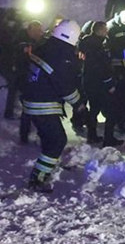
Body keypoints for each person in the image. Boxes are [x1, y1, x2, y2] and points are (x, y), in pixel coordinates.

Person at [20, 20, 87, 192]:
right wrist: (79, 104)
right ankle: (37, 178)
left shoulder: (45, 47)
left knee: (48, 139)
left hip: (32, 101)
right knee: (58, 140)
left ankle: (48, 165)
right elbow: (65, 86)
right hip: (43, 104)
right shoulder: (61, 56)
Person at [78, 21, 120, 146]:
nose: (107, 31)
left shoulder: (86, 43)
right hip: (100, 84)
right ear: (99, 30)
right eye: (105, 29)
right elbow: (101, 67)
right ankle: (109, 139)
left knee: (94, 109)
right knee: (111, 111)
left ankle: (92, 135)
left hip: (89, 82)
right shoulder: (97, 46)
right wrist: (109, 84)